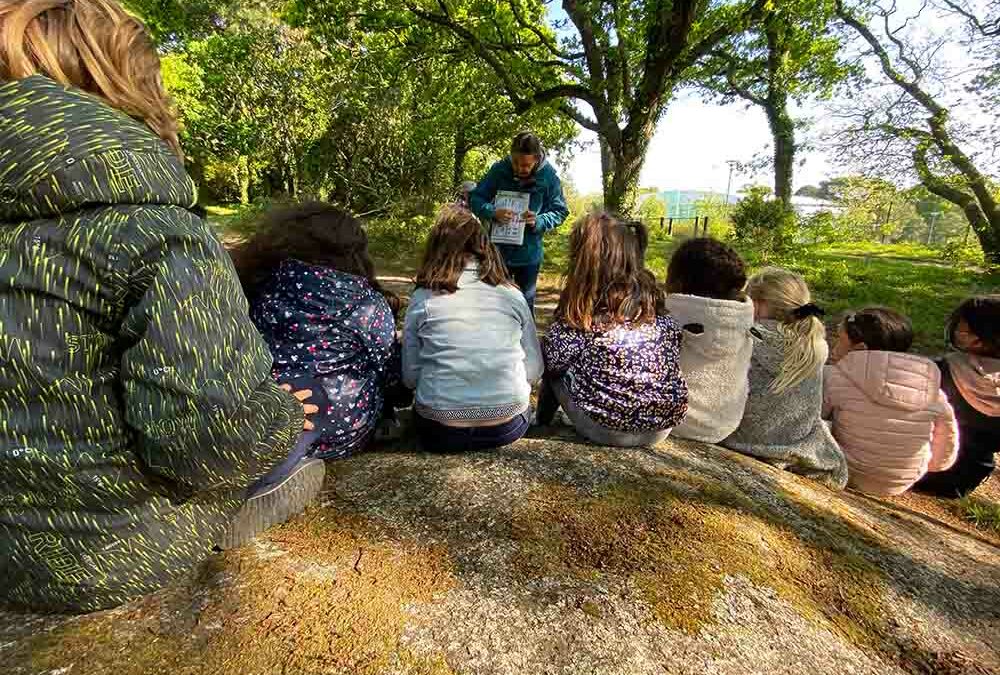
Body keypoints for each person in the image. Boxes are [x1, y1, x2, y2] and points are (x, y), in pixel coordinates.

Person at [0, 0, 318, 613]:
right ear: (127, 83)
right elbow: (205, 437)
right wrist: (280, 416)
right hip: (104, 552)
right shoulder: (156, 229)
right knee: (298, 448)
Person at [230, 202, 411, 461]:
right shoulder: (367, 304)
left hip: (272, 419)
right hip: (341, 432)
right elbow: (388, 372)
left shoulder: (261, 286)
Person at [536, 213, 688, 446]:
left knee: (550, 356)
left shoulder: (586, 314)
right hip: (661, 427)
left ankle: (543, 423)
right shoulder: (653, 305)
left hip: (606, 429)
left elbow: (554, 361)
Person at [403, 205, 542, 452]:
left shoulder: (423, 297)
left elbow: (410, 378)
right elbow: (534, 369)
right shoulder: (512, 295)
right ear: (484, 245)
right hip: (507, 425)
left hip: (440, 428)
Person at [721, 268, 848, 489]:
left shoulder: (748, 334)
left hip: (740, 438)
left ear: (758, 304)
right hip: (794, 443)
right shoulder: (814, 343)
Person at [823, 307, 958, 496]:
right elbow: (945, 447)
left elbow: (809, 420)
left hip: (845, 470)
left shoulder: (833, 377)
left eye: (840, 340)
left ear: (860, 348)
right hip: (901, 481)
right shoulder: (932, 390)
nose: (834, 345)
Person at [663, 238, 754, 444]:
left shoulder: (670, 320)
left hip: (674, 420)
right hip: (724, 424)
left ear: (677, 282)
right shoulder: (742, 322)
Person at [469, 131, 569, 312]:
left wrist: (539, 220)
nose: (519, 168)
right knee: (493, 305)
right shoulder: (499, 170)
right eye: (515, 162)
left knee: (524, 306)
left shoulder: (549, 177)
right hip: (498, 254)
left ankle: (524, 340)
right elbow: (476, 198)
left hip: (528, 256)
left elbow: (560, 211)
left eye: (525, 165)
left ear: (537, 159)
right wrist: (492, 212)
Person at [914, 296, 1000, 498]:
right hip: (962, 483)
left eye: (962, 330)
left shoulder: (941, 370)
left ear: (978, 339)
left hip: (916, 467)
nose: (956, 334)